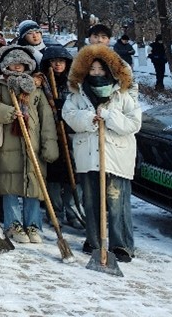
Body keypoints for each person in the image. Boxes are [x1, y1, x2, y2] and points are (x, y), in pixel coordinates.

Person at [63, 44, 142, 263]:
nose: (96, 73)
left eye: (101, 69)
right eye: (92, 69)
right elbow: (69, 116)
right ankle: (94, 241)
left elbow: (133, 124)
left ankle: (121, 244)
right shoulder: (78, 94)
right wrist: (88, 118)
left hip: (116, 156)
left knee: (117, 202)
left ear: (109, 70)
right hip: (88, 155)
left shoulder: (122, 95)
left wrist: (108, 116)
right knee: (91, 201)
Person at [0, 44, 58, 244]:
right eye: (13, 63)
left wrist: (49, 145)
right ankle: (13, 224)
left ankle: (33, 224)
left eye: (21, 63)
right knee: (9, 185)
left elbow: (46, 119)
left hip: (33, 144)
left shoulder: (36, 88)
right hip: (8, 144)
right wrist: (7, 112)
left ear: (28, 65)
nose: (17, 66)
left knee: (34, 185)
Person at [40, 45, 82, 230]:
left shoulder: (74, 83)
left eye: (61, 61)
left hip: (71, 133)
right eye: (53, 62)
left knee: (73, 175)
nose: (57, 65)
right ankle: (55, 212)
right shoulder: (42, 83)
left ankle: (73, 211)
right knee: (54, 176)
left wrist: (63, 108)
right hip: (51, 134)